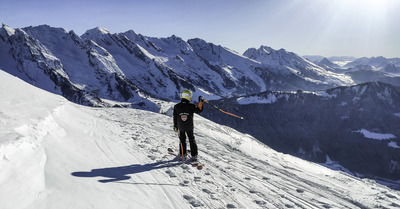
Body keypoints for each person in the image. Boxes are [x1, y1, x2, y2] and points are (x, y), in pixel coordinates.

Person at [173, 90, 204, 162]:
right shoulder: (191, 106)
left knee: (182, 139)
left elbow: (175, 117)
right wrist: (201, 101)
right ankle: (194, 156)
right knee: (191, 139)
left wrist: (175, 126)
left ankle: (182, 154)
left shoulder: (176, 106)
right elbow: (199, 110)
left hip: (181, 127)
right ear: (189, 97)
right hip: (189, 126)